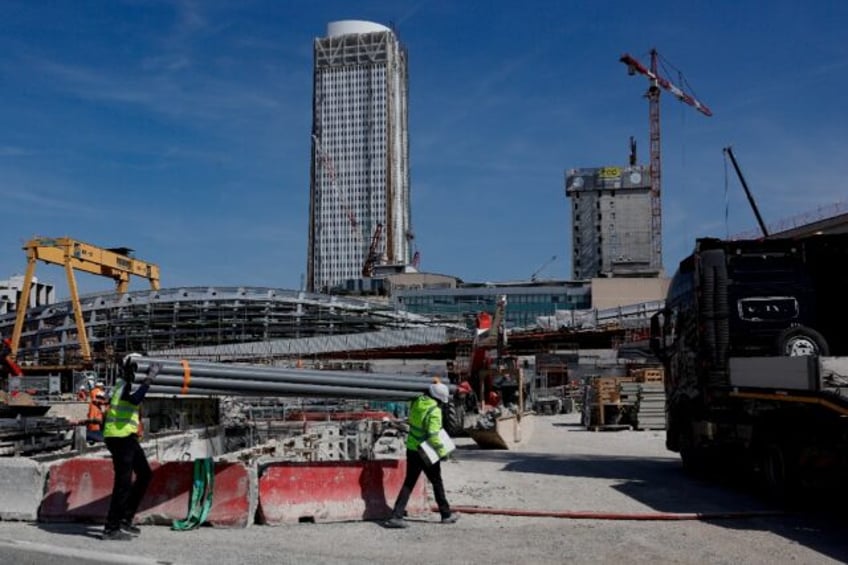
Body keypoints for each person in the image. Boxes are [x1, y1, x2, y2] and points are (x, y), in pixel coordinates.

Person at [101, 354, 161, 541]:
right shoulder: (125, 384)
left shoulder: (124, 383)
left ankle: (125, 519)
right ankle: (111, 528)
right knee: (123, 483)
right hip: (119, 437)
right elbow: (135, 400)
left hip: (127, 436)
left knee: (145, 474)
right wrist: (149, 380)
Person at [383, 381, 459, 528]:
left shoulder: (417, 401)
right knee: (437, 482)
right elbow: (433, 435)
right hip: (426, 451)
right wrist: (444, 452)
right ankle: (446, 514)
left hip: (412, 448)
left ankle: (396, 516)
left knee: (409, 482)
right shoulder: (434, 411)